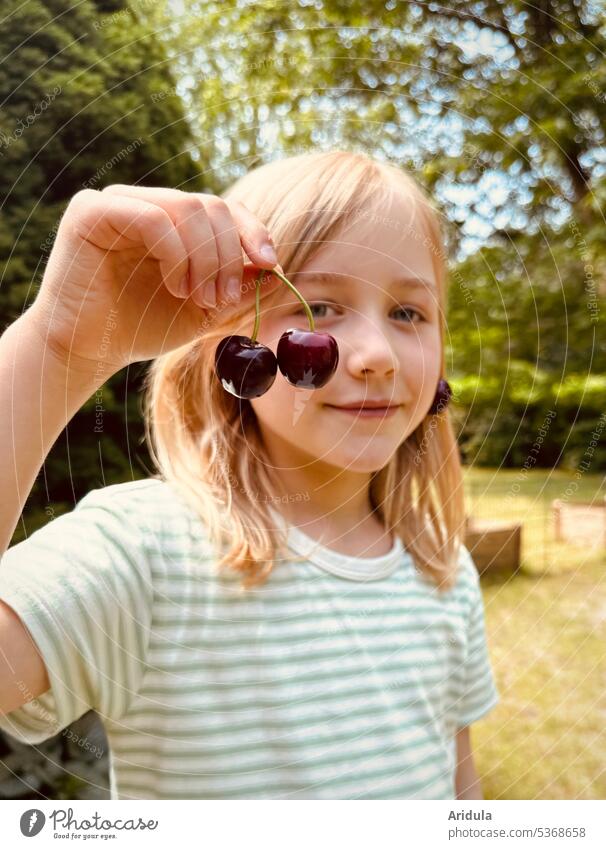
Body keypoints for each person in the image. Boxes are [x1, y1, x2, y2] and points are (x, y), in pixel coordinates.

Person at [0, 149, 499, 800]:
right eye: (316, 306)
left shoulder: (444, 570)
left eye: (409, 312)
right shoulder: (142, 551)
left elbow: (461, 793)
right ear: (231, 349)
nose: (376, 353)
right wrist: (56, 346)